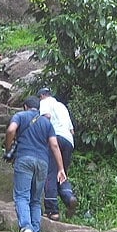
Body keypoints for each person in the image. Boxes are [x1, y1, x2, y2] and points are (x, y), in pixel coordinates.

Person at [5, 96, 66, 232]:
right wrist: (60, 168)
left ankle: (26, 228)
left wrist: (8, 148)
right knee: (36, 200)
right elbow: (54, 145)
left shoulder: (20, 116)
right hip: (43, 163)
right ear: (38, 108)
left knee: (21, 196)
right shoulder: (46, 123)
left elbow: (11, 130)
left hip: (25, 159)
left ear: (25, 106)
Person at [37, 87, 78, 220]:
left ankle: (52, 210)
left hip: (55, 139)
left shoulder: (45, 102)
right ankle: (69, 197)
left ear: (42, 95)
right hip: (69, 141)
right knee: (62, 172)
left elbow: (46, 117)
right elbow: (72, 131)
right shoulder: (62, 106)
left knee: (51, 173)